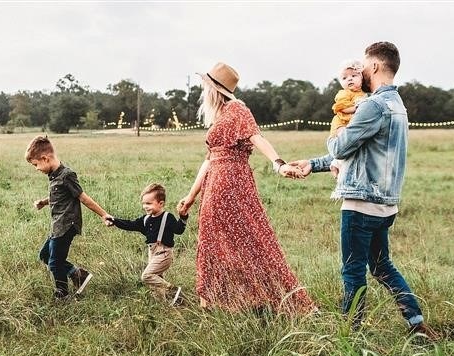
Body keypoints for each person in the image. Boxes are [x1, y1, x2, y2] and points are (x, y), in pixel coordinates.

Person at [290, 42, 436, 337]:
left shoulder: (372, 105)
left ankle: (349, 334)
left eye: (364, 66)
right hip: (385, 205)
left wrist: (335, 133)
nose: (360, 71)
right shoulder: (397, 105)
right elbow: (360, 151)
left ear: (376, 67)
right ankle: (416, 323)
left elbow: (341, 146)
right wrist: (313, 164)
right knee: (382, 267)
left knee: (353, 270)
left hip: (361, 204)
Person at [176, 62, 315, 314]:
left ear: (214, 89)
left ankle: (266, 296)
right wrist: (191, 196)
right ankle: (214, 300)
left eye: (205, 87)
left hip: (231, 182)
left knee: (250, 239)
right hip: (214, 183)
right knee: (212, 241)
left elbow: (256, 136)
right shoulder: (219, 116)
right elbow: (208, 160)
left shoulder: (237, 109)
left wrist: (278, 164)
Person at [26, 136, 109, 299]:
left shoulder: (67, 175)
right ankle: (78, 275)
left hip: (66, 225)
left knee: (55, 262)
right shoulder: (54, 176)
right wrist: (44, 202)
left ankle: (62, 293)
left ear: (45, 158)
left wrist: (104, 214)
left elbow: (83, 197)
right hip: (57, 226)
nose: (36, 169)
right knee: (45, 255)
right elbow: (60, 196)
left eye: (36, 165)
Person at [106, 183, 187, 305]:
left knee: (147, 276)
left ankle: (173, 290)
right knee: (156, 284)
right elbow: (130, 224)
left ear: (161, 203)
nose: (145, 206)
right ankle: (165, 304)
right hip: (152, 253)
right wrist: (114, 220)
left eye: (149, 203)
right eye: (144, 203)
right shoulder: (146, 219)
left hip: (164, 253)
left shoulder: (167, 217)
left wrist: (183, 217)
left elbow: (179, 230)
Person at [328, 60, 368, 178]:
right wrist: (356, 108)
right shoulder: (343, 93)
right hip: (341, 122)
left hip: (350, 123)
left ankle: (336, 163)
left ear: (361, 78)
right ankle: (338, 166)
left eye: (353, 76)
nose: (349, 79)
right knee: (345, 141)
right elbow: (341, 107)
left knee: (352, 145)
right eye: (345, 78)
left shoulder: (363, 94)